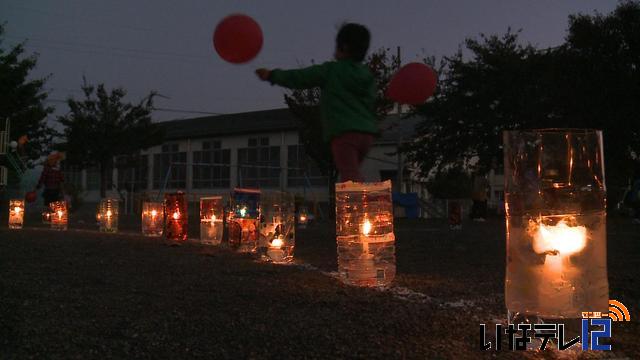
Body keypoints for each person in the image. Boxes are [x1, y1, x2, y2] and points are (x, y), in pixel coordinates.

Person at [256, 23, 377, 182]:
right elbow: (371, 102)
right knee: (350, 172)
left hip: (344, 133)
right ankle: (356, 201)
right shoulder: (367, 75)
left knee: (350, 177)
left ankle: (361, 204)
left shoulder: (332, 70)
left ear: (344, 47)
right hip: (366, 136)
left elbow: (301, 77)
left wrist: (272, 75)